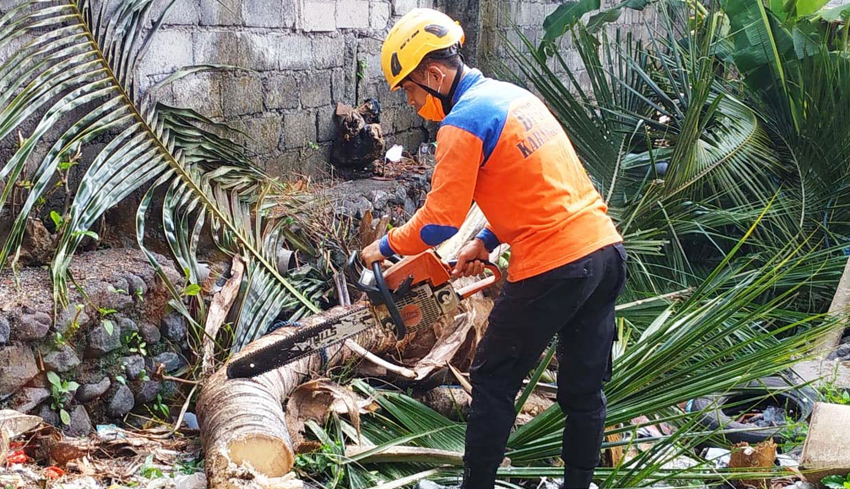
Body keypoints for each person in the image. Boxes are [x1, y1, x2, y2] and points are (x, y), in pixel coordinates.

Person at [359, 8, 627, 489]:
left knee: (493, 379)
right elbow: (539, 187)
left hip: (554, 265)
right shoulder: (515, 98)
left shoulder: (462, 121)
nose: (412, 101)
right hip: (605, 252)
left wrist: (382, 246)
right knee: (584, 393)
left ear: (435, 74)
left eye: (411, 91)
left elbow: (438, 223)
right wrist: (484, 241)